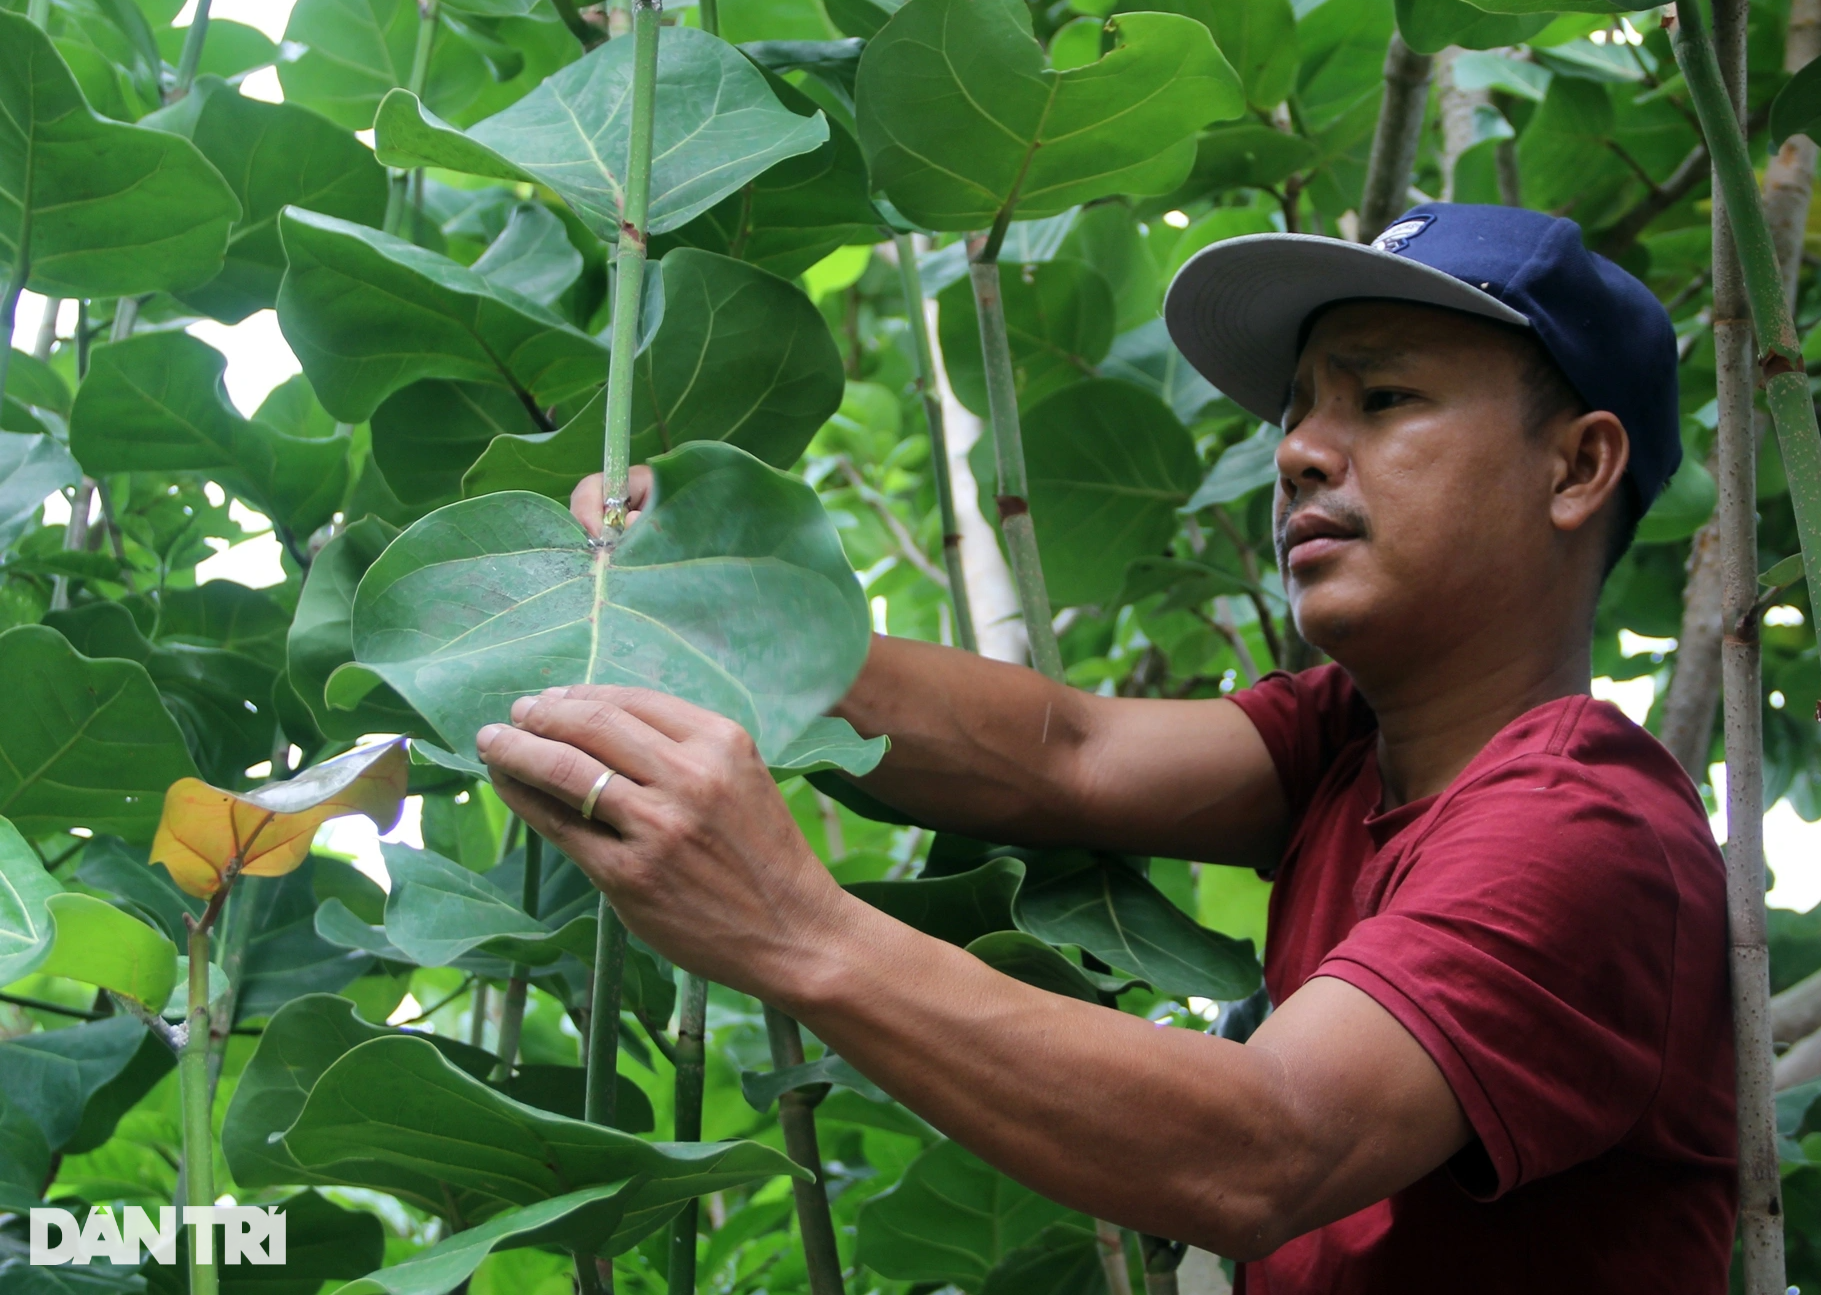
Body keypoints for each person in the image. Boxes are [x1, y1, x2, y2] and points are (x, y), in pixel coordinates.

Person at [475, 204, 1736, 1290]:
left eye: (1385, 396)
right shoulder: (1349, 746)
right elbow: (1065, 751)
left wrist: (789, 926)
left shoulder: (1583, 827)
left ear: (1577, 467)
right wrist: (694, 597)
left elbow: (1266, 1144)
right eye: (1294, 412)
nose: (1295, 451)